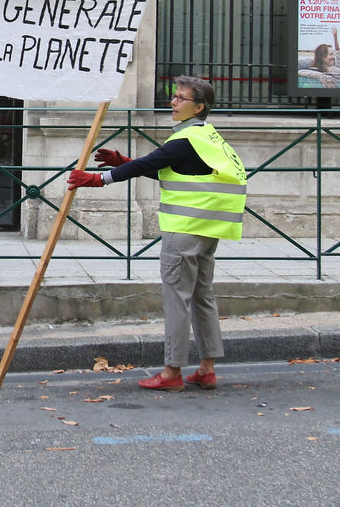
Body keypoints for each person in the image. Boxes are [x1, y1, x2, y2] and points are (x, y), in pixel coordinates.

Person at [69, 76, 247, 393]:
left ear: (199, 107)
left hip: (184, 229)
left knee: (177, 299)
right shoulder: (208, 136)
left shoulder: (186, 139)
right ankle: (207, 369)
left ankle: (171, 373)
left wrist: (99, 179)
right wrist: (126, 162)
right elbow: (172, 169)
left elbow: (154, 162)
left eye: (181, 98)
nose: (173, 102)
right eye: (174, 96)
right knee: (202, 296)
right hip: (209, 228)